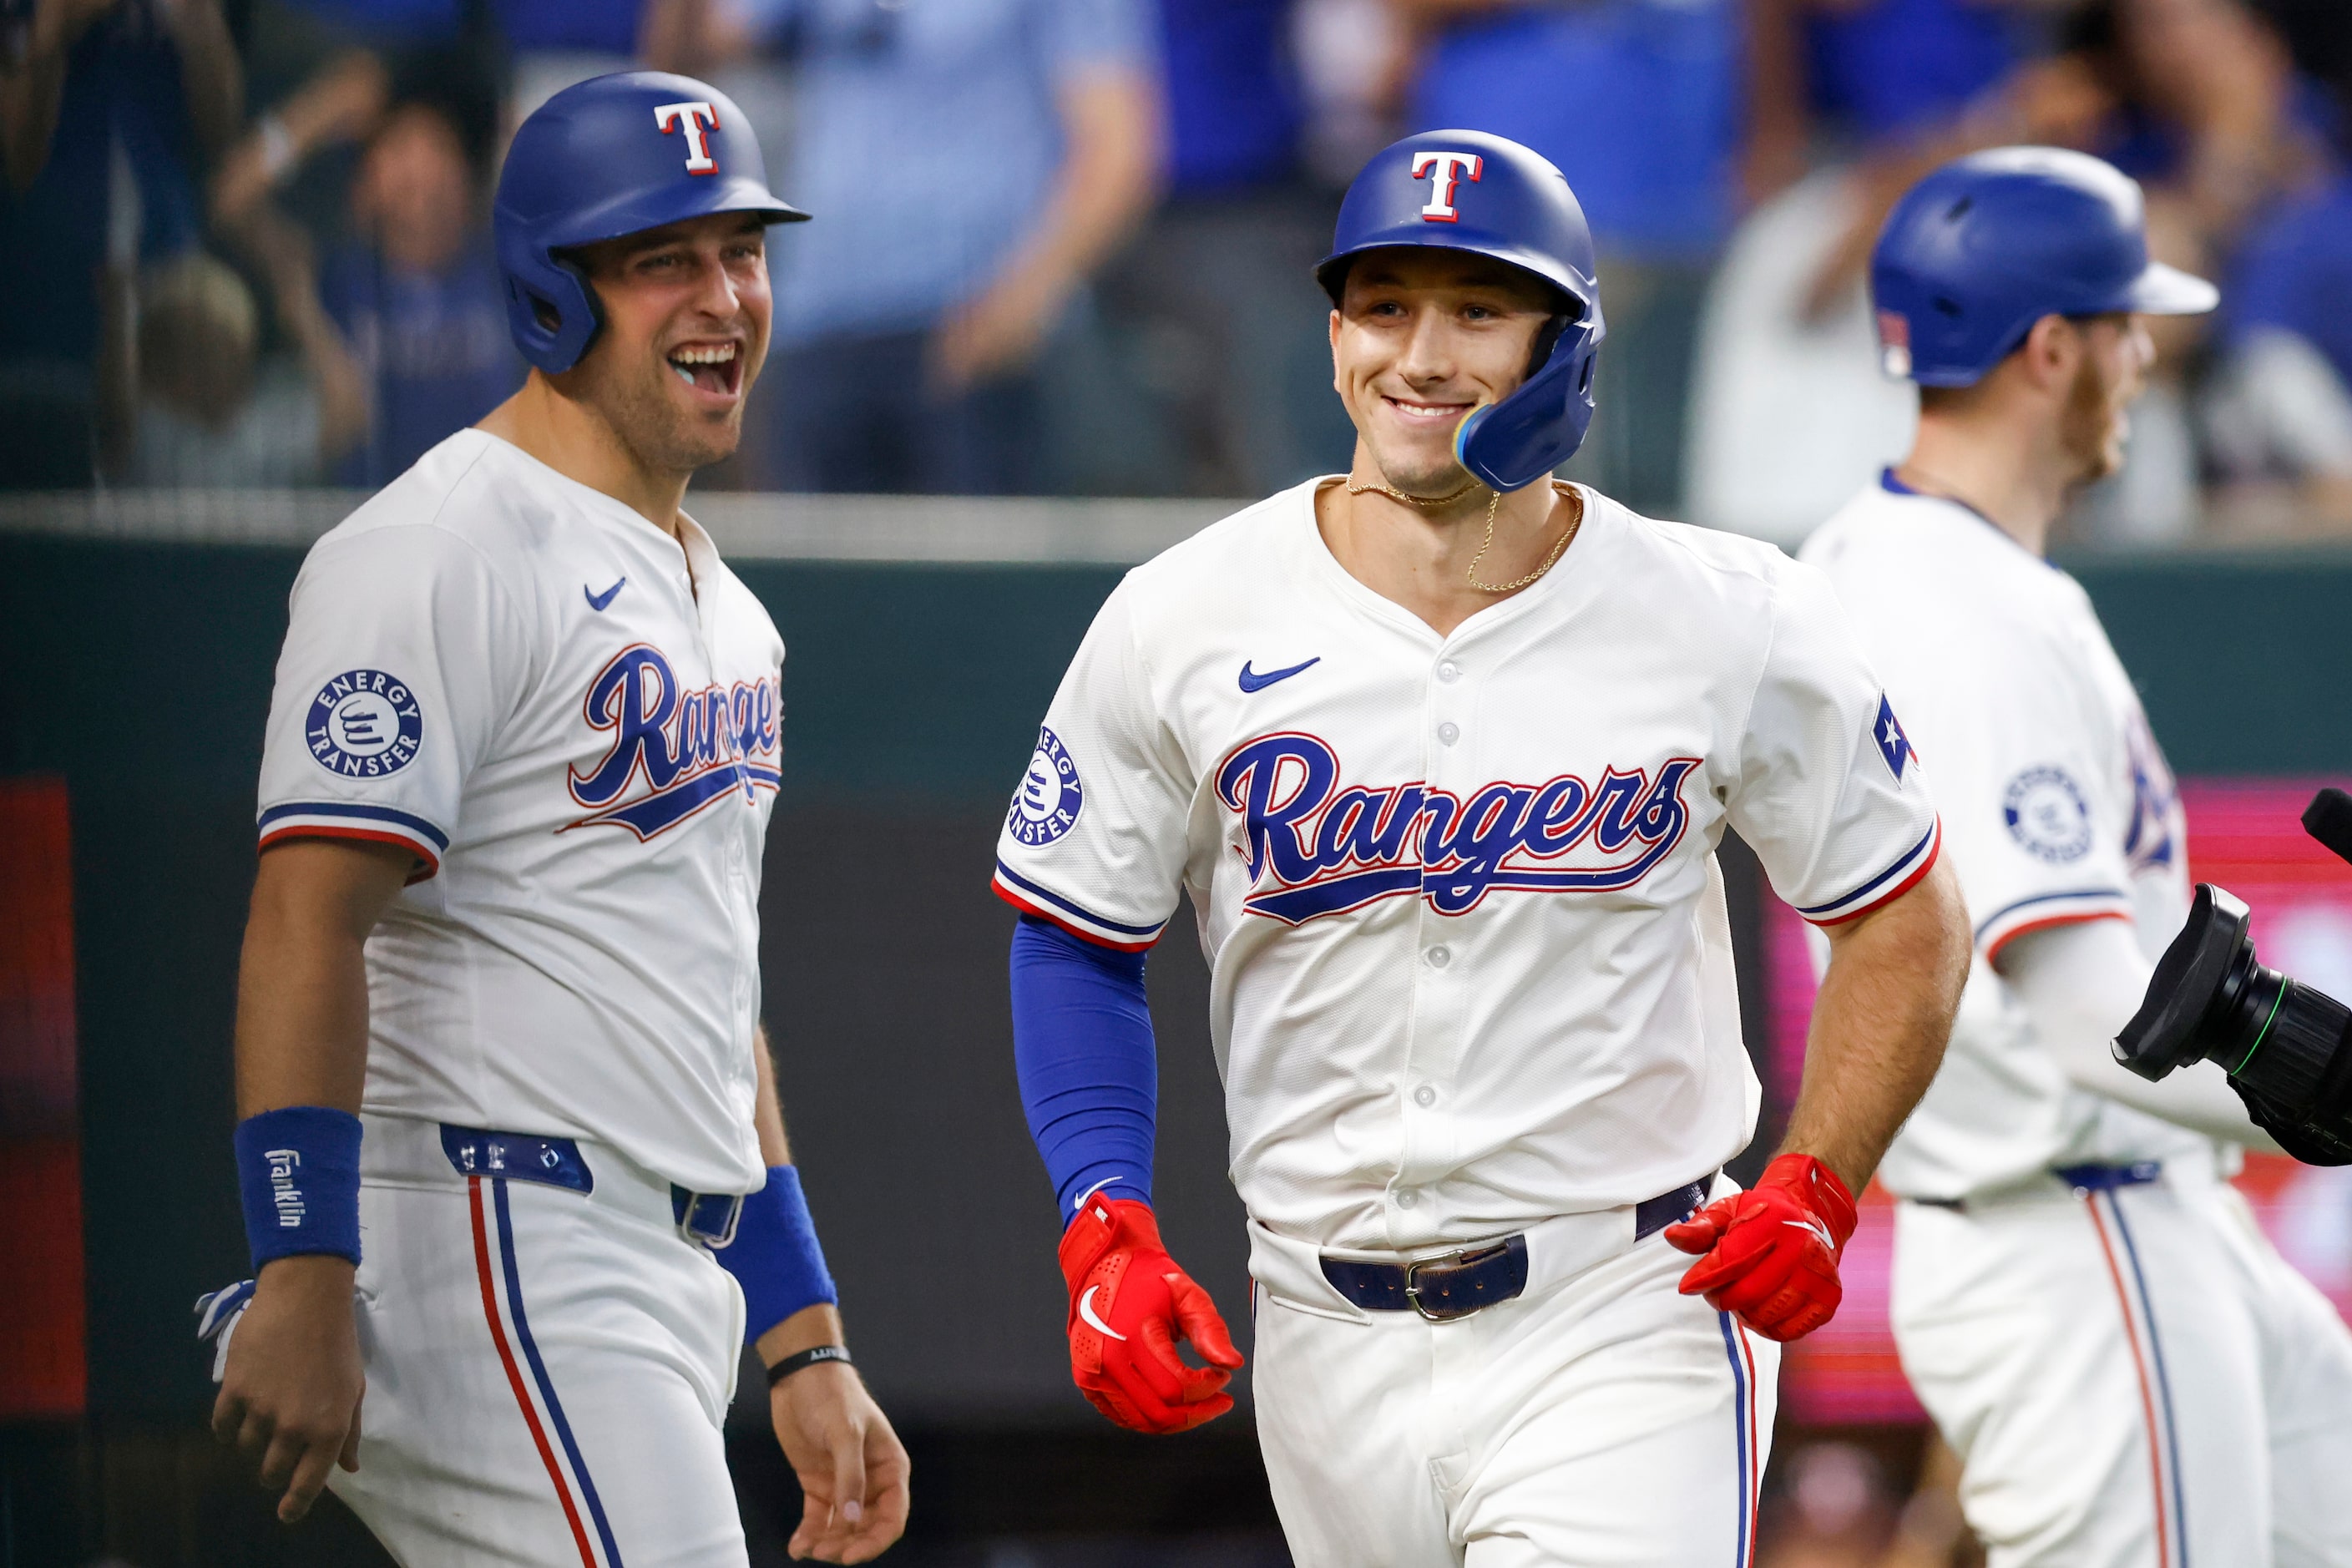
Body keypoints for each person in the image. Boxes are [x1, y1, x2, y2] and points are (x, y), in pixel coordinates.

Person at [992, 128, 1971, 1565]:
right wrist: (1104, 1222)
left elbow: (1907, 915)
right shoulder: (1182, 613)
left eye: (1476, 309)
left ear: (1560, 350)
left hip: (1620, 1300)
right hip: (1319, 1329)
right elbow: (1074, 930)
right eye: (1384, 305)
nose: (1422, 353)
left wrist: (1817, 1182)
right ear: (1332, 337)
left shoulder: (1723, 612)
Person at [195, 71, 908, 1565]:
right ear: (549, 293)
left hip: (657, 1258)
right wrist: (302, 1264)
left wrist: (802, 1335)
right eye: (663, 259)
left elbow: (709, 995)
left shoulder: (729, 604)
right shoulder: (437, 547)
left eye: (742, 250)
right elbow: (304, 919)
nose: (722, 295)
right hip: (495, 1228)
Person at [1803, 145, 2352, 1566]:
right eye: (2125, 325)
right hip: (2078, 1229)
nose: (2143, 356)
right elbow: (2097, 1023)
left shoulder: (1920, 566)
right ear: (2051, 349)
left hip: (2141, 1216)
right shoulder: (1951, 607)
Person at [742, 0, 1162, 494]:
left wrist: (1017, 306)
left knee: (977, 565)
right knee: (813, 566)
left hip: (968, 331)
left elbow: (1117, 149)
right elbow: (704, 45)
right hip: (820, 324)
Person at [321, 94, 524, 486]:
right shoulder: (342, 279)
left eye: (436, 148)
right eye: (398, 148)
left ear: (467, 176)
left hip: (492, 509)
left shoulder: (504, 270)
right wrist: (326, 106)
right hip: (371, 512)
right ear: (367, 181)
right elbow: (233, 205)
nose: (418, 168)